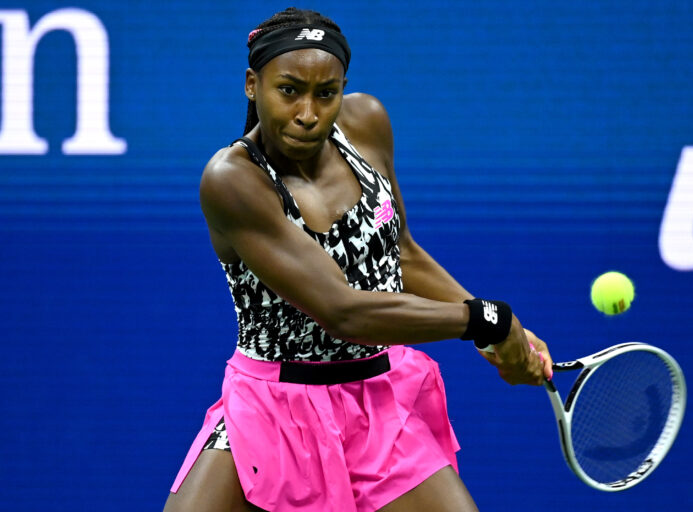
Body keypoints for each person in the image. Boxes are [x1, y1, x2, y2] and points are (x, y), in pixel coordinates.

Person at [164, 7, 552, 512]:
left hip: (377, 405)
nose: (308, 113)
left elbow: (402, 255)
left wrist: (499, 332)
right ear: (251, 85)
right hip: (272, 408)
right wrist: (485, 320)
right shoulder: (232, 180)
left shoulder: (367, 124)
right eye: (289, 90)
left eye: (326, 93)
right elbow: (343, 312)